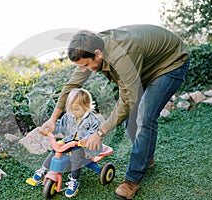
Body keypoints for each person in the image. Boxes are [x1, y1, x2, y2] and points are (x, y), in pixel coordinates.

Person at [39, 24, 189, 199]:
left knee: (144, 117)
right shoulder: (88, 52)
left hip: (169, 64)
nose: (83, 70)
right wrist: (53, 118)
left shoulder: (122, 56)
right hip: (143, 67)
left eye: (86, 65)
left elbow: (128, 100)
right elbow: (72, 85)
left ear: (98, 54)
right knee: (129, 120)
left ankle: (132, 180)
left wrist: (100, 132)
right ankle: (146, 157)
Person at [32, 88, 102, 198]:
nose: (73, 112)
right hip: (69, 141)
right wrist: (50, 130)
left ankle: (74, 180)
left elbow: (94, 133)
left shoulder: (93, 120)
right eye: (70, 109)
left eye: (76, 109)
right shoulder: (69, 116)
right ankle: (43, 169)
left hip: (86, 146)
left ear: (86, 105)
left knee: (76, 156)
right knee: (56, 150)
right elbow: (60, 125)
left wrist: (86, 139)